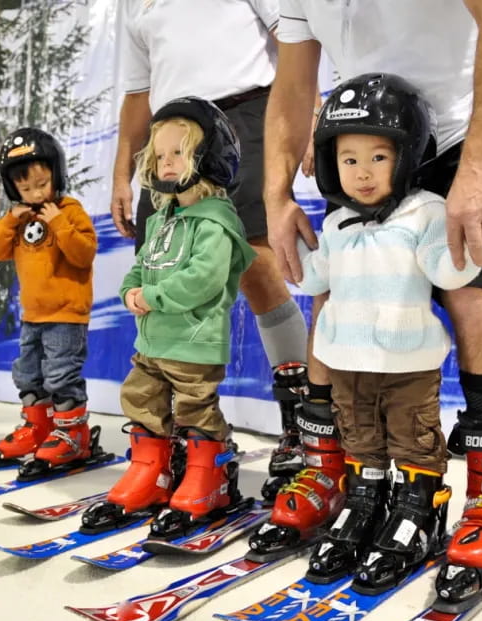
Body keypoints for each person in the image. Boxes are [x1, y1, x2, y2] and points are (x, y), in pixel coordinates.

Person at [262, 0, 482, 609]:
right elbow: (293, 79)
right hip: (374, 123)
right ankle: (333, 472)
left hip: (475, 113)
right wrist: (275, 195)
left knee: (474, 290)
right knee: (339, 282)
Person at [112, 0, 312, 502]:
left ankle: (302, 425)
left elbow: (293, 41)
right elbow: (138, 93)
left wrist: (302, 121)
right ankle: (180, 435)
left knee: (259, 269)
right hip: (169, 134)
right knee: (160, 272)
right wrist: (121, 173)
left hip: (245, 115)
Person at [81, 97, 256, 538]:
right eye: (161, 155)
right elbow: (141, 265)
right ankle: (150, 471)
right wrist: (128, 290)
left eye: (179, 152)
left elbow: (204, 279)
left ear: (208, 157)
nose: (168, 163)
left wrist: (153, 296)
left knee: (195, 408)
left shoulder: (215, 223)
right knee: (142, 400)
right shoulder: (162, 218)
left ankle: (208, 479)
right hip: (152, 342)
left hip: (193, 343)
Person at [0, 128, 98, 466]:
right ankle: (39, 427)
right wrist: (9, 220)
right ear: (13, 188)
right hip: (32, 315)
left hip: (65, 315)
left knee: (61, 375)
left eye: (41, 185)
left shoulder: (70, 210)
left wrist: (59, 222)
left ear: (56, 175)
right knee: (29, 374)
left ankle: (73, 435)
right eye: (25, 188)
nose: (35, 194)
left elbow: (84, 254)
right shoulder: (19, 218)